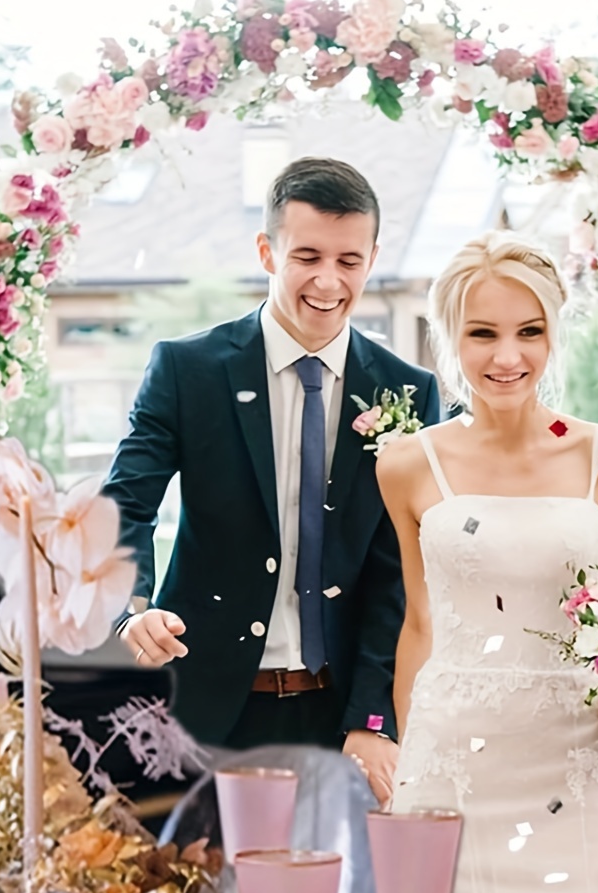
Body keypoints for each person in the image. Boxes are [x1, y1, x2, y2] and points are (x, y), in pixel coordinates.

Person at [104, 156, 442, 803]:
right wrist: (132, 607)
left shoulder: (409, 391)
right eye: (307, 256)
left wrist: (374, 718)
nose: (327, 280)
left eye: (348, 261)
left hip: (341, 713)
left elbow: (400, 571)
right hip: (199, 703)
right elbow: (126, 505)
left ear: (372, 258)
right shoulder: (186, 370)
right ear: (267, 250)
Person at [378, 232, 598, 893]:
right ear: (450, 338)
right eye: (483, 333)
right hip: (449, 767)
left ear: (553, 335)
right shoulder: (408, 464)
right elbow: (420, 622)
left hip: (570, 765)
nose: (508, 356)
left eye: (528, 332)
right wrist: (405, 769)